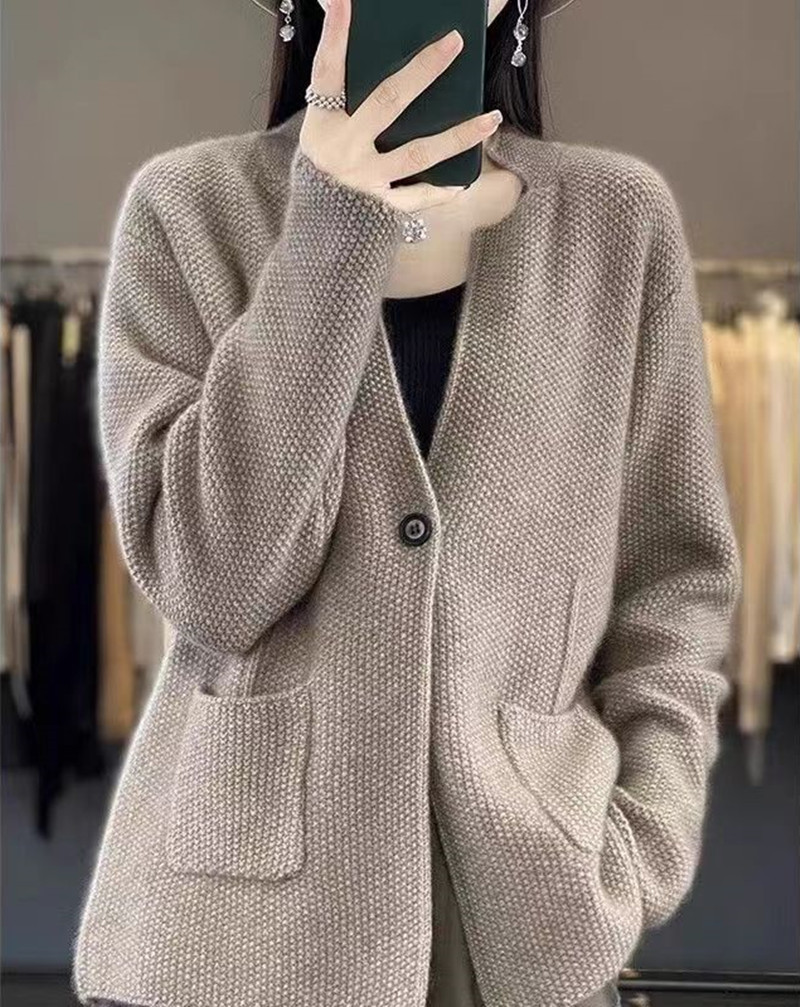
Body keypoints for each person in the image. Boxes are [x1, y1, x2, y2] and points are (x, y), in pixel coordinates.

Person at [72, 0, 742, 1005]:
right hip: (240, 927)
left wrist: (646, 835)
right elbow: (217, 587)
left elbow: (674, 579)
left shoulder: (616, 222)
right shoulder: (191, 209)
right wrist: (327, 231)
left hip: (521, 915)